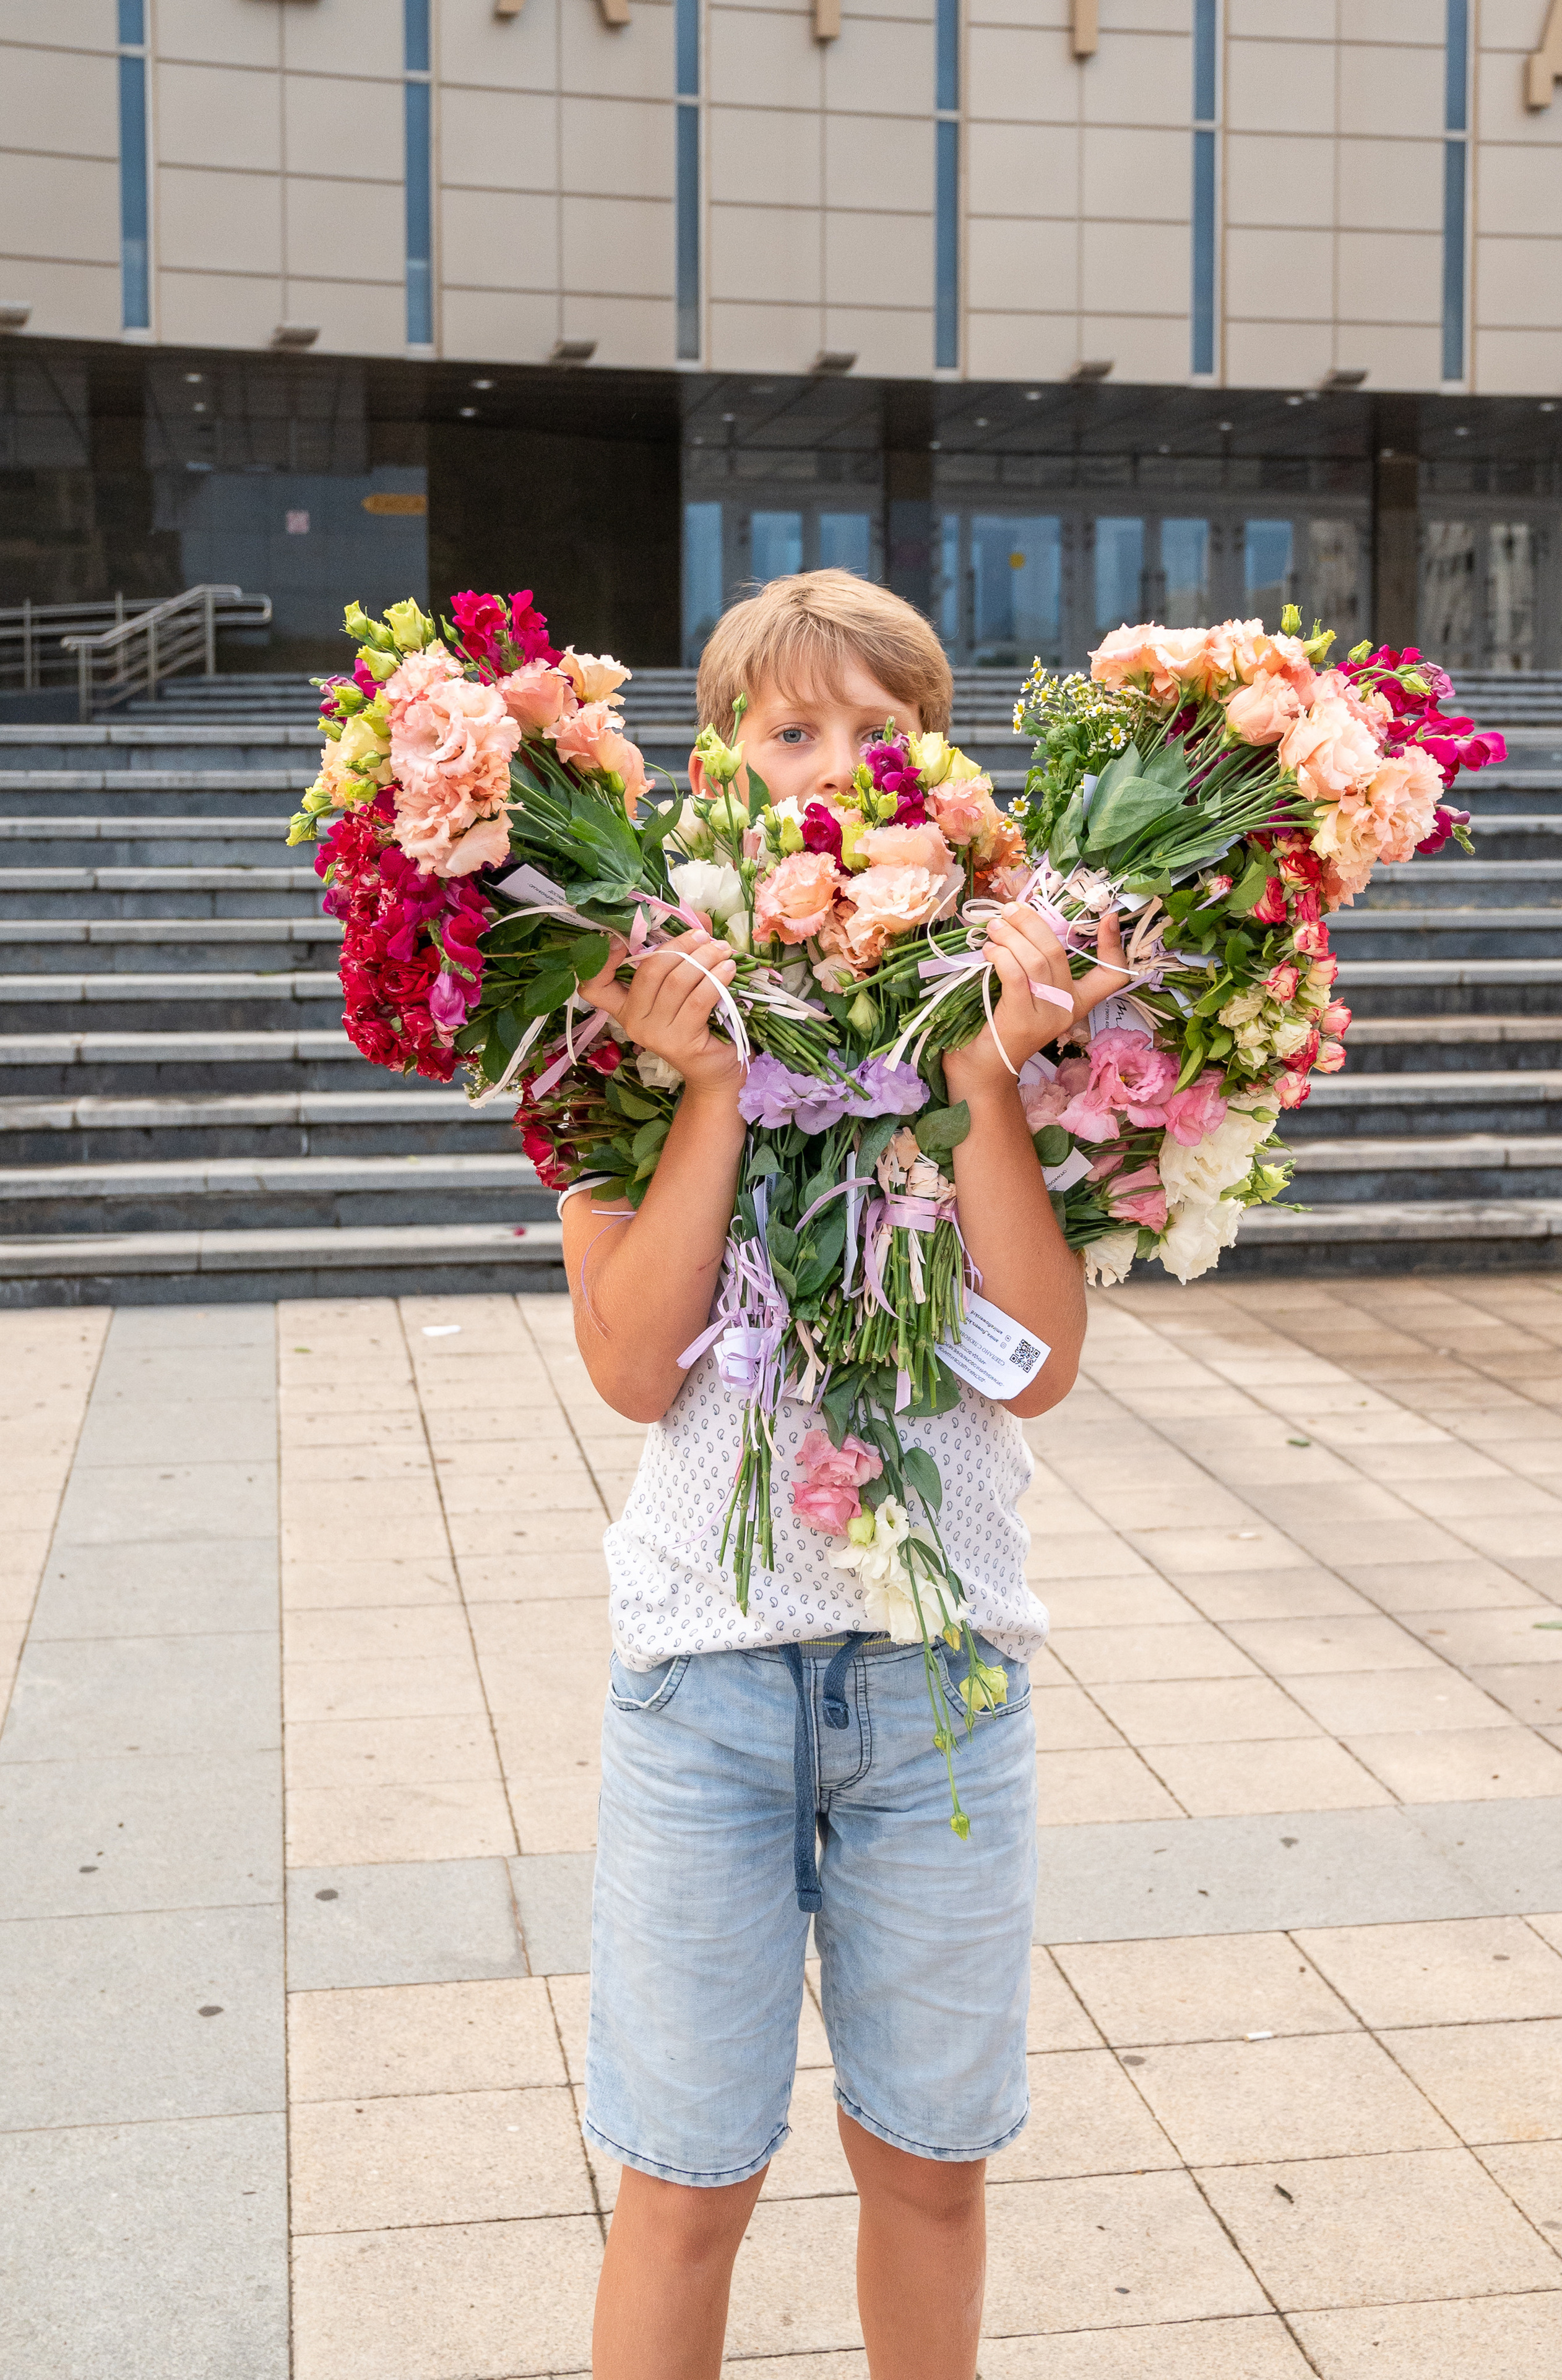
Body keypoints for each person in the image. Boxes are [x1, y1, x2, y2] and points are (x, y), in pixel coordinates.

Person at [559, 570, 1127, 2380]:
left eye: (883, 734)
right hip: (705, 1685)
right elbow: (637, 1365)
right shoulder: (613, 1028)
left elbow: (1031, 1368)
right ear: (714, 768)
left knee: (933, 2169)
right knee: (684, 2182)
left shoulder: (1022, 1005)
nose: (837, 769)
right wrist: (713, 1092)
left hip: (941, 1685)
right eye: (793, 730)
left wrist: (978, 1083)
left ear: (945, 771)